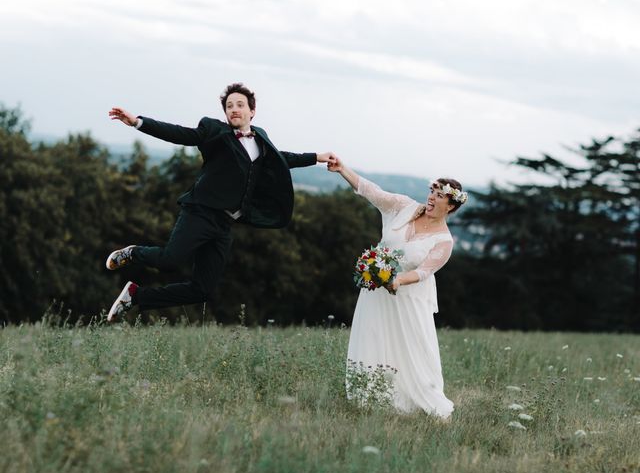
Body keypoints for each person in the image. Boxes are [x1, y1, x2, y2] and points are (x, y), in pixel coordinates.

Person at [105, 83, 336, 321]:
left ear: (252, 111)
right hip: (201, 213)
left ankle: (136, 297)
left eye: (240, 105)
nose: (234, 109)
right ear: (225, 113)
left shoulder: (261, 139)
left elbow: (281, 159)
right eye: (229, 106)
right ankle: (133, 253)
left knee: (202, 290)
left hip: (225, 224)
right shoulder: (214, 130)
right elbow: (180, 134)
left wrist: (315, 157)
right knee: (169, 261)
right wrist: (138, 122)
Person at [327, 157, 467, 418]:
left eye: (439, 196)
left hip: (409, 298)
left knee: (414, 348)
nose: (432, 198)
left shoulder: (444, 241)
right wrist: (342, 170)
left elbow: (424, 271)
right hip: (377, 292)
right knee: (373, 336)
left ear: (451, 206)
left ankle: (423, 400)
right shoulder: (402, 206)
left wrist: (398, 281)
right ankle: (369, 397)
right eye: (432, 192)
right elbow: (373, 192)